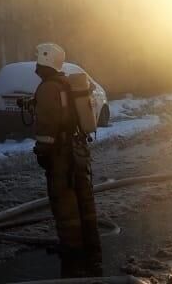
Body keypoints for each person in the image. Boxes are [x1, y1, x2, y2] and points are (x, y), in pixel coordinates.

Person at [31, 42, 104, 277]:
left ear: (45, 60)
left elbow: (46, 125)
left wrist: (42, 151)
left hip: (61, 155)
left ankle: (73, 257)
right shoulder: (67, 84)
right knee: (84, 201)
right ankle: (92, 249)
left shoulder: (47, 88)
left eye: (38, 60)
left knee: (64, 203)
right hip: (78, 151)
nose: (36, 65)